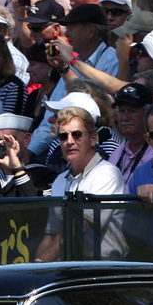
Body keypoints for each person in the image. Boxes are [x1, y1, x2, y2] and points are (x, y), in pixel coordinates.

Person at [35, 108, 125, 261]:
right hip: (67, 265)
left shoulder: (107, 174)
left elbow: (76, 227)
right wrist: (37, 267)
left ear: (93, 138)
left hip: (104, 267)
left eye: (77, 135)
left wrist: (43, 262)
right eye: (63, 136)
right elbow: (51, 234)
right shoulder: (60, 180)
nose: (69, 142)